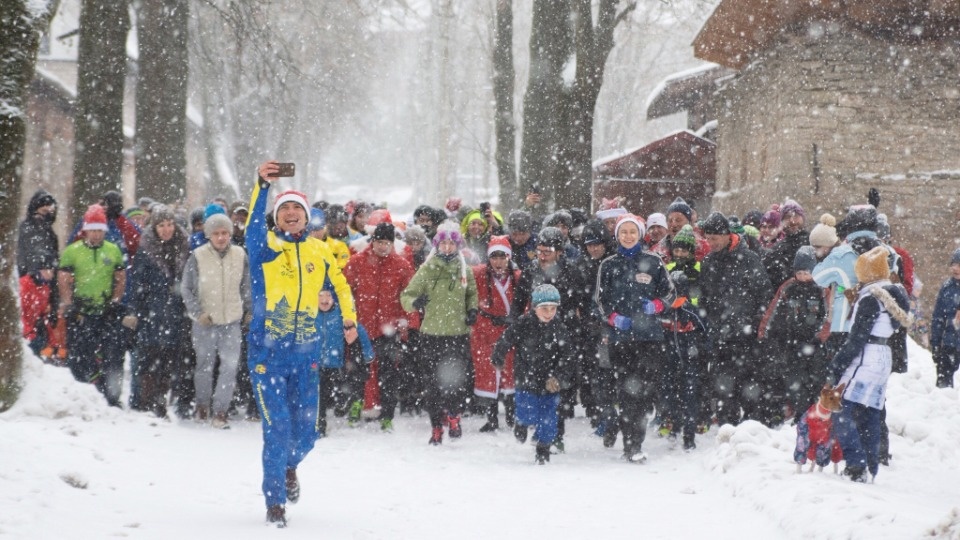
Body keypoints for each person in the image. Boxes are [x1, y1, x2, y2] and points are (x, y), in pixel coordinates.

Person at [246, 160, 357, 527]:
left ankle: (290, 465)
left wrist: (349, 317)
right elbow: (250, 229)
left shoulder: (319, 251)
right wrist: (262, 187)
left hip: (306, 354)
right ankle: (274, 501)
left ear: (307, 218)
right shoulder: (266, 249)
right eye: (284, 210)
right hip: (268, 355)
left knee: (307, 432)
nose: (291, 214)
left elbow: (340, 284)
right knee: (277, 427)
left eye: (297, 209)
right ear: (277, 218)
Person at [829, 246, 911, 483]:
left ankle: (856, 465)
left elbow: (857, 339)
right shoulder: (892, 294)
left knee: (840, 408)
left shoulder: (871, 298)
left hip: (866, 357)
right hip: (883, 356)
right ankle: (871, 464)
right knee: (870, 412)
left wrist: (837, 365)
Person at [595, 214, 673, 463]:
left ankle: (631, 433)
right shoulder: (608, 264)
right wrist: (613, 318)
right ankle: (632, 444)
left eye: (632, 231)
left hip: (649, 338)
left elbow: (670, 293)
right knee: (628, 392)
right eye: (623, 232)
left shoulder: (654, 261)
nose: (628, 236)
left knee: (645, 393)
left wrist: (657, 306)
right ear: (616, 236)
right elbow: (599, 300)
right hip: (621, 339)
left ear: (640, 234)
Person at [400, 221, 479, 445]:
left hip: (457, 333)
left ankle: (454, 417)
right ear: (436, 245)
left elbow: (472, 294)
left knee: (455, 382)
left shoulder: (465, 269)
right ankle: (436, 427)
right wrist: (416, 302)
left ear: (457, 245)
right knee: (432, 384)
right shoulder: (427, 269)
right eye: (443, 243)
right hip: (431, 335)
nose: (447, 248)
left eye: (451, 244)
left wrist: (472, 310)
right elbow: (406, 296)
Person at [698, 211, 772, 426]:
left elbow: (764, 294)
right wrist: (711, 325)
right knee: (723, 390)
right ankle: (727, 430)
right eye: (707, 239)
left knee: (750, 390)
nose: (710, 243)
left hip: (746, 337)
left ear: (726, 235)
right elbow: (705, 299)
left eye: (714, 239)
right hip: (721, 337)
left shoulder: (749, 259)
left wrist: (753, 324)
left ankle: (750, 431)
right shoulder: (708, 262)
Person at [181, 213, 252, 429]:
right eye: (216, 234)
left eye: (225, 233)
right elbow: (187, 288)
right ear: (208, 235)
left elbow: (246, 286)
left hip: (231, 320)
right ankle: (203, 405)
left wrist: (249, 310)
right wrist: (197, 312)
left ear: (230, 233)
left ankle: (221, 411)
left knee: (229, 367)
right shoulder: (198, 256)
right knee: (204, 365)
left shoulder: (240, 255)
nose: (221, 237)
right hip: (205, 321)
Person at [343, 222, 415, 431]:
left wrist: (409, 325)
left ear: (393, 243)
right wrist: (347, 320)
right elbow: (346, 292)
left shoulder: (402, 266)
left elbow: (408, 297)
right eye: (379, 242)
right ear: (372, 241)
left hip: (389, 328)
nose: (383, 247)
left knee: (389, 374)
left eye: (387, 243)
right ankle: (356, 405)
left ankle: (387, 415)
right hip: (361, 327)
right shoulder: (357, 262)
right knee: (357, 370)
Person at [125, 205, 191, 419]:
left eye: (170, 224)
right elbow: (137, 282)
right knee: (150, 357)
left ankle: (163, 400)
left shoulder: (183, 246)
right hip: (152, 311)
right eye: (161, 225)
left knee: (172, 358)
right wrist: (134, 310)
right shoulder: (146, 250)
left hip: (177, 311)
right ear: (154, 227)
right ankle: (149, 402)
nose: (166, 229)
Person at [57, 205, 127, 407]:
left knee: (111, 356)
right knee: (79, 355)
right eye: (92, 230)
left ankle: (111, 397)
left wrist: (116, 301)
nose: (96, 234)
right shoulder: (73, 251)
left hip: (105, 310)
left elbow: (121, 277)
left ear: (105, 230)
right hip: (81, 311)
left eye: (99, 230)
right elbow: (63, 279)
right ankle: (80, 395)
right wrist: (68, 304)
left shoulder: (112, 250)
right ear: (85, 230)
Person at [492, 284, 570, 464]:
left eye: (553, 308)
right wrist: (498, 356)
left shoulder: (559, 328)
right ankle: (521, 424)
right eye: (544, 308)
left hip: (551, 381)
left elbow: (568, 355)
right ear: (534, 307)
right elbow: (506, 339)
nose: (549, 313)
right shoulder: (523, 323)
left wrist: (559, 377)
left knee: (549, 419)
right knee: (528, 411)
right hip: (526, 377)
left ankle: (543, 449)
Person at [758, 246, 827, 423]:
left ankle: (815, 412)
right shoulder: (788, 287)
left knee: (815, 379)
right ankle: (801, 413)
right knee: (793, 380)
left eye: (807, 272)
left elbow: (827, 315)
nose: (803, 277)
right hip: (792, 342)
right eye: (799, 273)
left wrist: (821, 336)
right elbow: (773, 311)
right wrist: (764, 333)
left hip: (814, 344)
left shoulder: (821, 288)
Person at [470, 235, 520, 432]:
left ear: (509, 257)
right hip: (485, 330)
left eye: (502, 257)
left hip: (509, 331)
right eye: (494, 257)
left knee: (510, 373)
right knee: (488, 373)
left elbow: (524, 304)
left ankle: (511, 415)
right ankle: (491, 419)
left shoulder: (518, 277)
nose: (498, 262)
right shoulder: (478, 274)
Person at [659, 271, 708, 450]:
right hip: (668, 361)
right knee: (668, 395)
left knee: (689, 397)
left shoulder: (691, 311)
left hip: (689, 362)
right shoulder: (662, 311)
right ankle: (675, 425)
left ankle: (689, 436)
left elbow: (705, 333)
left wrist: (699, 350)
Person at [315, 290, 375, 434]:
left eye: (328, 296)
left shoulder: (341, 315)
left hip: (337, 364)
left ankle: (344, 404)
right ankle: (320, 425)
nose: (324, 300)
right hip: (317, 364)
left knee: (343, 394)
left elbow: (359, 331)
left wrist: (368, 354)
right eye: (320, 296)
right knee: (320, 396)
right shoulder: (311, 315)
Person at [17, 190, 61, 358]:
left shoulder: (50, 233)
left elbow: (53, 270)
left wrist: (53, 303)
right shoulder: (28, 228)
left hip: (43, 291)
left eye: (48, 211)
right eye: (42, 211)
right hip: (30, 286)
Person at [929, 248, 960, 388]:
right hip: (949, 343)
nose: (955, 268)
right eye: (953, 264)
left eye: (959, 265)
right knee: (943, 386)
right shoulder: (947, 287)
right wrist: (935, 343)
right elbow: (938, 317)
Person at [762, 199, 810, 288]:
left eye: (796, 216)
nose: (792, 220)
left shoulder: (813, 243)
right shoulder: (775, 250)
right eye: (787, 217)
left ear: (802, 218)